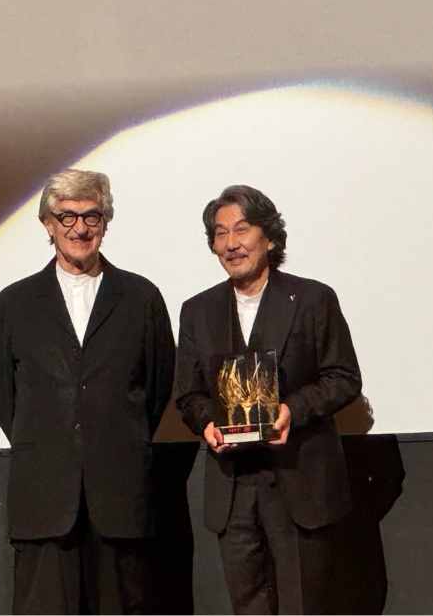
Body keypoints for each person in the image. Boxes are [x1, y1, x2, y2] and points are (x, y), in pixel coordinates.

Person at [0, 169, 175, 614]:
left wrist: (109, 435)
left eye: (92, 216)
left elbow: (156, 389)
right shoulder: (15, 303)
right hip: (45, 498)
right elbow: (3, 398)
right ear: (47, 225)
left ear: (105, 222)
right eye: (66, 217)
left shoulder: (141, 297)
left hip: (120, 497)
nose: (80, 228)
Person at [174, 185, 361, 614]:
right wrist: (207, 423)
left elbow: (343, 377)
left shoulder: (313, 299)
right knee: (247, 606)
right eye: (220, 233)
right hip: (232, 487)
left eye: (242, 229)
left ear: (270, 238)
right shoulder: (197, 310)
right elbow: (188, 393)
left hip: (299, 480)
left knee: (303, 605)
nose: (231, 243)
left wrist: (293, 410)